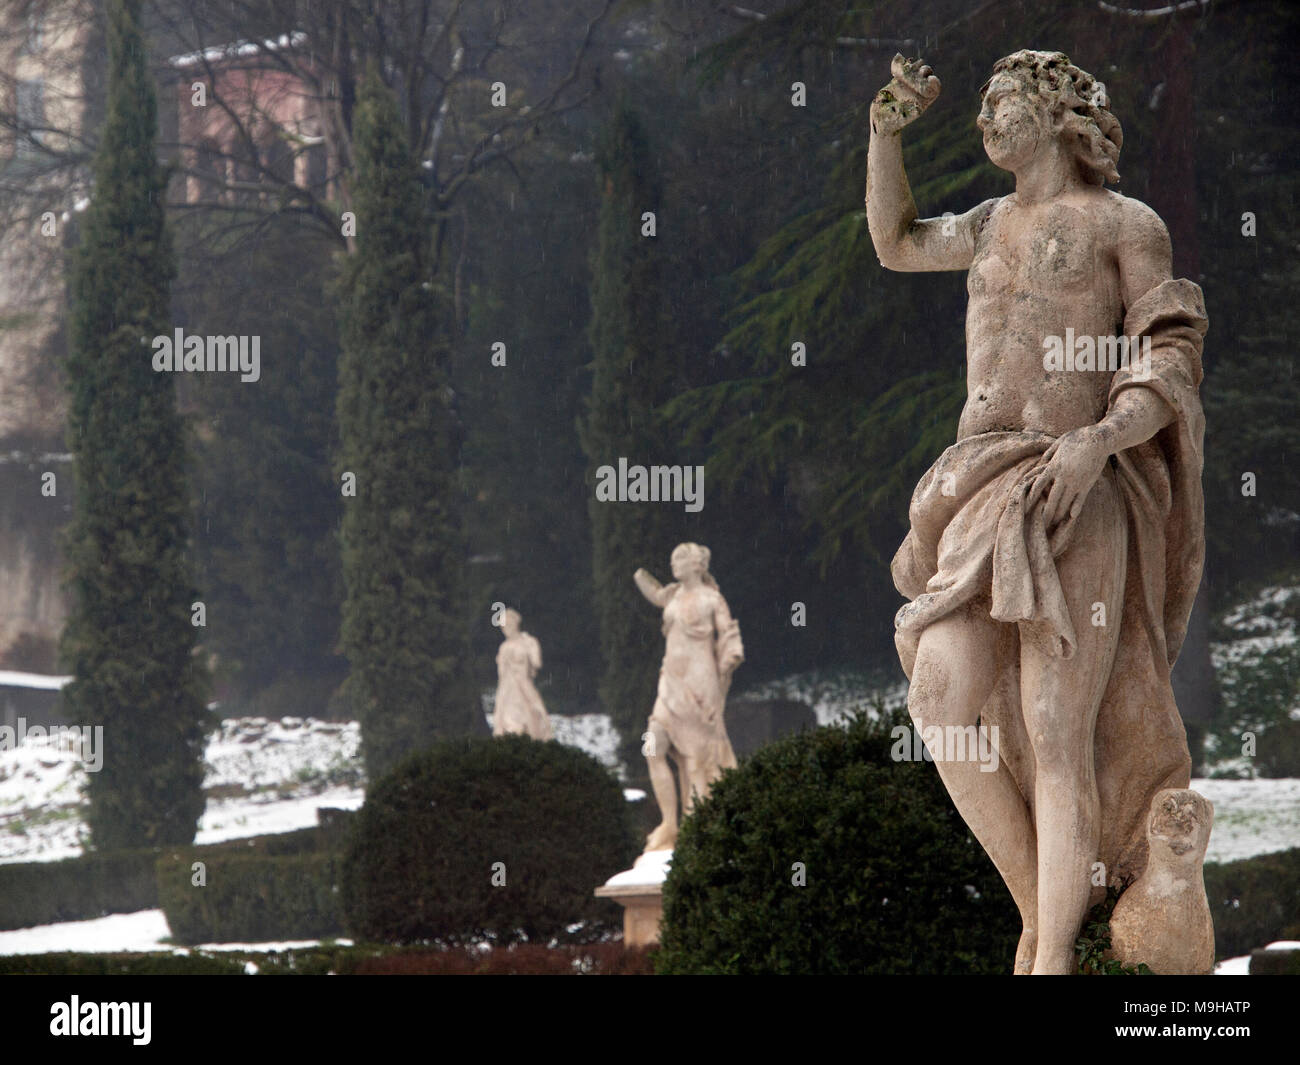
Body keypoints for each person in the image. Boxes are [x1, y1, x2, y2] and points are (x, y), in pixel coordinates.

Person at [867, 50, 1208, 974]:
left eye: (1001, 100)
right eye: (978, 106)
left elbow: (1166, 358)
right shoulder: (983, 226)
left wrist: (1100, 439)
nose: (984, 118)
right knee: (940, 695)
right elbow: (894, 240)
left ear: (1058, 113)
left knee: (1058, 724)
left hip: (1079, 484)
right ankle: (1040, 911)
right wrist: (886, 132)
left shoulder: (1126, 224)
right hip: (976, 482)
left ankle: (1052, 955)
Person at [635, 543, 743, 852]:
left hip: (700, 683)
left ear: (697, 564)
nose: (674, 564)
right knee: (653, 746)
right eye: (672, 559)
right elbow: (655, 594)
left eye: (680, 559)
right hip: (670, 681)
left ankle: (700, 825)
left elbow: (729, 636)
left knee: (698, 758)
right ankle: (669, 824)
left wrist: (726, 665)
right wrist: (639, 575)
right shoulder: (673, 596)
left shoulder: (712, 599)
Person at [492, 608, 552, 741]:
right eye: (503, 626)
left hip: (523, 686)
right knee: (509, 722)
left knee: (530, 719)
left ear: (515, 624)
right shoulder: (503, 647)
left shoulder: (529, 642)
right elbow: (501, 673)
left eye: (508, 624)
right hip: (507, 690)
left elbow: (537, 663)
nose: (505, 629)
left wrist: (527, 657)